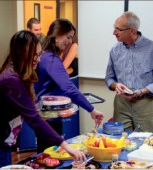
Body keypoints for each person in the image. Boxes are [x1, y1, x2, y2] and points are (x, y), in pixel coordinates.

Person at [0, 30, 86, 169]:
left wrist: (56, 113)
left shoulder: (19, 74)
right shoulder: (11, 80)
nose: (38, 59)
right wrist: (66, 146)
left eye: (39, 54)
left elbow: (32, 111)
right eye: (35, 55)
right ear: (23, 55)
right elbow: (33, 118)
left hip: (0, 145)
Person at [35, 18, 104, 151]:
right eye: (68, 37)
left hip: (48, 113)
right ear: (57, 33)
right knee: (49, 155)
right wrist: (91, 109)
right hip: (48, 116)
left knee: (48, 153)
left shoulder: (47, 55)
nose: (70, 41)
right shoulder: (50, 59)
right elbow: (68, 88)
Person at [105, 11, 153, 134]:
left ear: (132, 31)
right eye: (114, 28)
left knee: (147, 143)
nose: (114, 32)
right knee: (122, 142)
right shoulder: (115, 50)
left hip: (146, 103)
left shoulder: (152, 48)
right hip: (121, 104)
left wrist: (142, 91)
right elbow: (109, 78)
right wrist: (116, 85)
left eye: (118, 29)